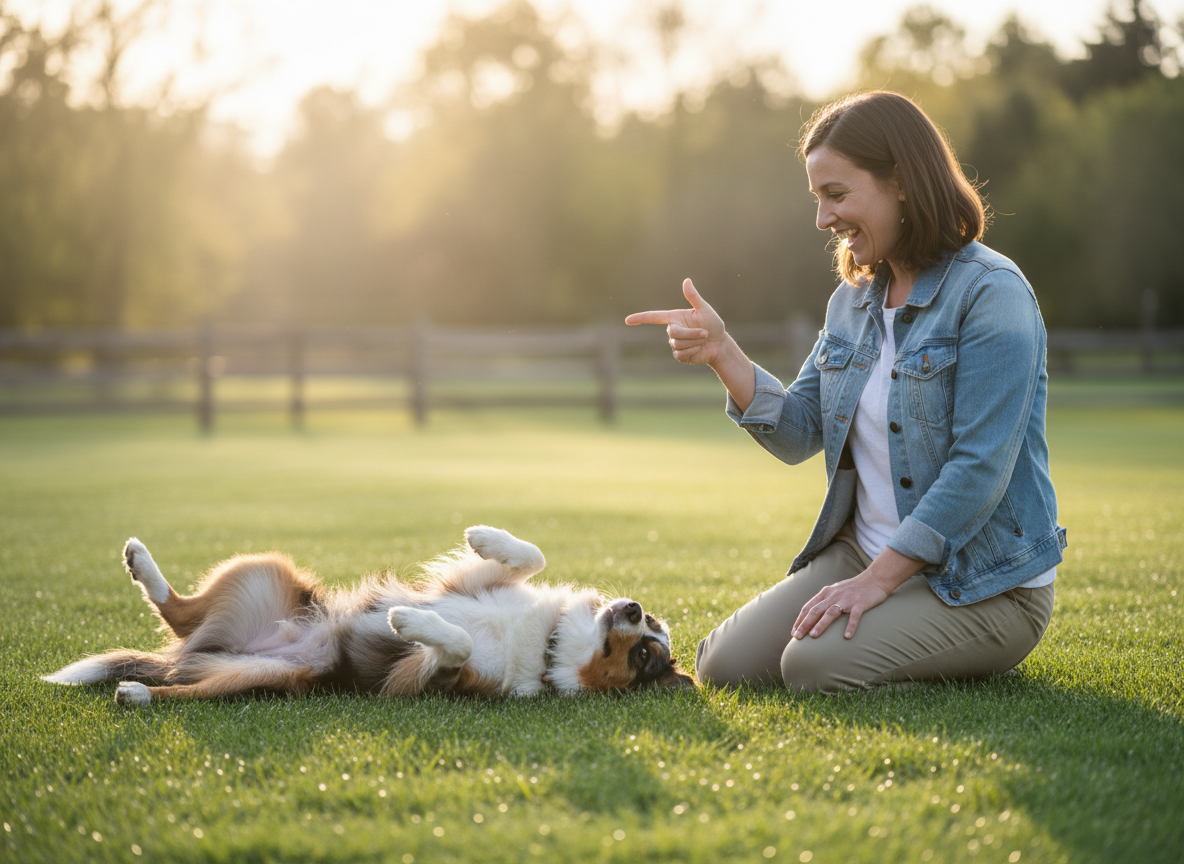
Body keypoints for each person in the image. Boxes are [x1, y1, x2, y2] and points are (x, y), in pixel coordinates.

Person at [625, 91, 1066, 694]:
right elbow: (801, 427)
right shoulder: (853, 301)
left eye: (837, 194)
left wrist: (878, 582)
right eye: (817, 198)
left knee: (811, 668)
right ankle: (877, 628)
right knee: (722, 668)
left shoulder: (993, 293)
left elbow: (979, 469)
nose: (822, 219)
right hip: (862, 554)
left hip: (984, 582)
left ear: (903, 183)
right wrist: (723, 354)